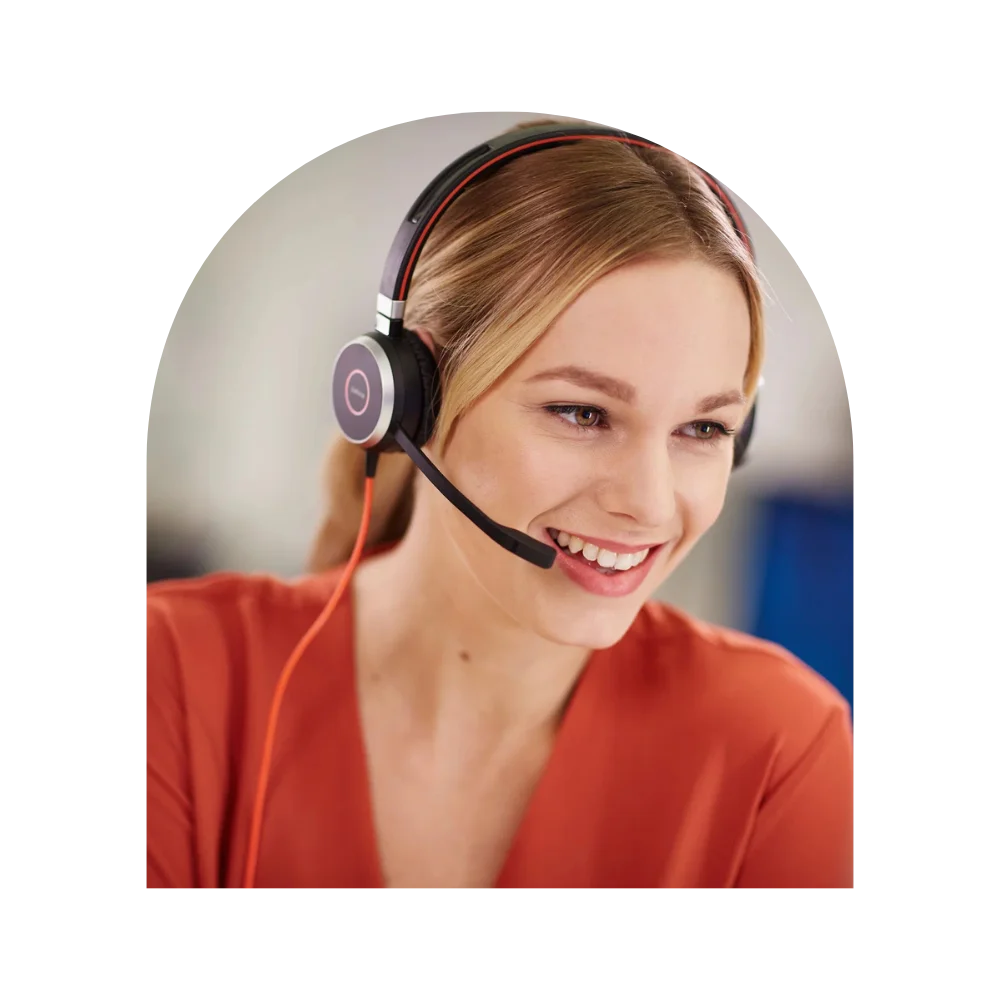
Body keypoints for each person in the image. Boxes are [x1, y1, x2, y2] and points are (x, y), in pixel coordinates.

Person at [145, 121, 854, 893]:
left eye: (703, 428)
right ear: (407, 400)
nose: (649, 503)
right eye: (582, 413)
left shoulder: (776, 743)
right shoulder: (175, 676)